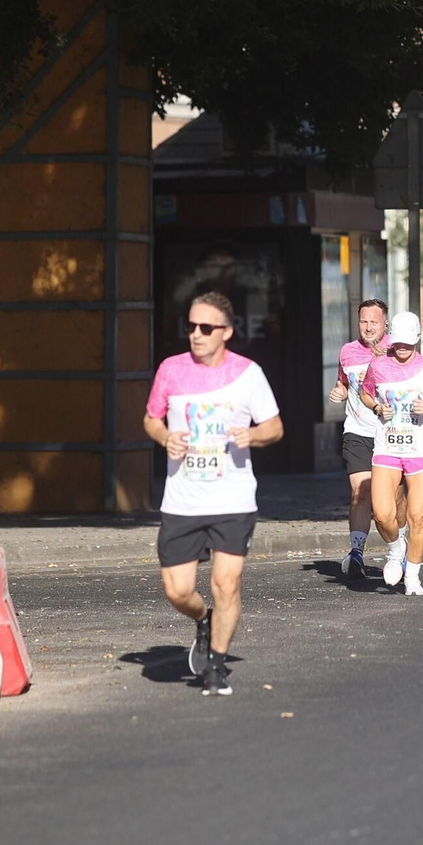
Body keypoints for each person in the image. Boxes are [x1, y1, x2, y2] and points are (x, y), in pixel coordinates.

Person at [143, 292, 284, 697]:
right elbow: (151, 419)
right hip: (183, 500)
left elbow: (275, 427)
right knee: (177, 590)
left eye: (206, 328)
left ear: (227, 332)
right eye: (190, 326)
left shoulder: (248, 374)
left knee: (227, 584)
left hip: (233, 499)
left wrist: (252, 434)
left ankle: (215, 668)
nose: (196, 335)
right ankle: (204, 619)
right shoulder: (171, 370)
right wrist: (165, 436)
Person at [360, 312, 423, 597]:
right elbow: (366, 394)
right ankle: (395, 549)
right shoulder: (377, 366)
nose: (402, 348)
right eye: (398, 343)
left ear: (416, 340)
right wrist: (377, 408)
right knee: (381, 512)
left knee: (418, 515)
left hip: (420, 450)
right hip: (387, 447)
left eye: (407, 344)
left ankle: (412, 575)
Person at [328, 299, 395, 578]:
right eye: (363, 322)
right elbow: (342, 382)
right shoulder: (348, 352)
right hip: (357, 431)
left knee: (393, 500)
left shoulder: (397, 349)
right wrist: (339, 391)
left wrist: (384, 359)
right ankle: (357, 553)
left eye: (374, 322)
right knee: (360, 492)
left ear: (385, 324)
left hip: (390, 433)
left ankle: (398, 549)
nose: (368, 327)